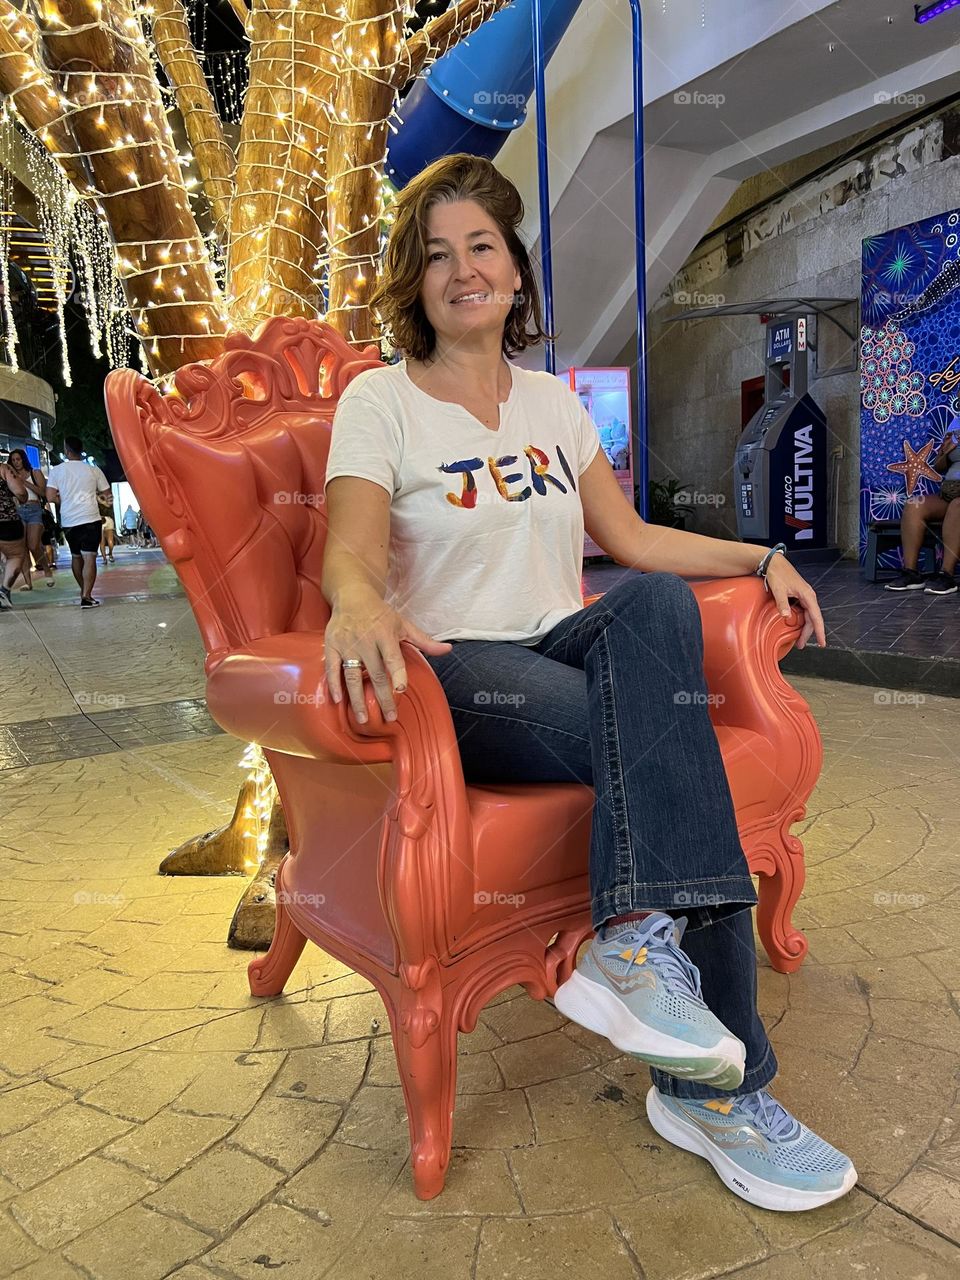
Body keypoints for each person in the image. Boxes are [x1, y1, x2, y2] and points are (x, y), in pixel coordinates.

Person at [321, 154, 855, 1214]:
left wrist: (757, 557)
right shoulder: (379, 400)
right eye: (436, 255)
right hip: (462, 675)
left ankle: (631, 950)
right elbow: (351, 551)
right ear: (413, 283)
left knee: (652, 614)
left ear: (516, 271)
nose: (462, 269)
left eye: (482, 246)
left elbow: (632, 540)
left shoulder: (556, 406)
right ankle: (722, 1092)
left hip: (560, 641)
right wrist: (353, 602)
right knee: (678, 742)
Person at [885, 424, 960, 594]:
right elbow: (939, 466)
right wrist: (946, 451)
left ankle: (947, 575)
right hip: (951, 491)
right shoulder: (956, 424)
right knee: (914, 505)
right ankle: (911, 573)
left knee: (957, 506)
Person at [45, 437, 112, 608]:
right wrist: (99, 499)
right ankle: (87, 596)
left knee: (76, 557)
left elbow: (51, 497)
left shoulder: (57, 470)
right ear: (81, 450)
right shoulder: (93, 470)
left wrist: (65, 501)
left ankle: (84, 591)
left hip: (69, 521)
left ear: (67, 451)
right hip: (91, 518)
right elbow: (107, 494)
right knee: (90, 557)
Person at [5, 448, 54, 588]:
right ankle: (28, 582)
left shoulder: (35, 472)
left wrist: (23, 482)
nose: (16, 462)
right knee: (22, 547)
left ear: (23, 459)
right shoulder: (9, 475)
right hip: (18, 511)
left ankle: (47, 570)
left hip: (34, 510)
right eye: (13, 460)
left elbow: (42, 492)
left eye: (18, 459)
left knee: (34, 544)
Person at [0, 458, 27, 608]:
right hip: (7, 522)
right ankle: (4, 590)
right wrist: (21, 499)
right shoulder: (3, 469)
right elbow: (21, 492)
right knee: (15, 556)